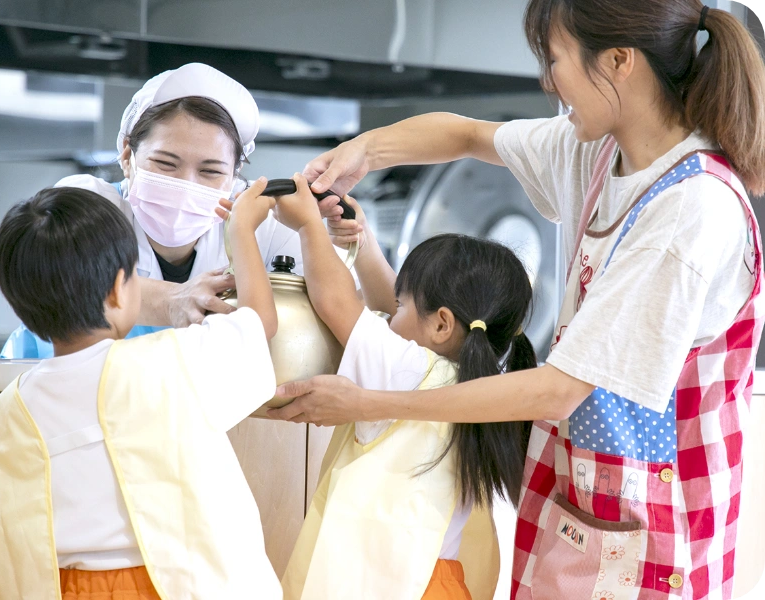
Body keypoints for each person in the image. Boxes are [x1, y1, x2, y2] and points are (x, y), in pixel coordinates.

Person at [270, 2, 765, 599]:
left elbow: (559, 389)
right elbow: (466, 134)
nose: (546, 80)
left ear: (618, 62)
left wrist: (368, 401)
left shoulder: (691, 208)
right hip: (581, 499)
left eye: (554, 60)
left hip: (656, 520)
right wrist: (364, 152)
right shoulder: (600, 152)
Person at [0, 179, 283, 599]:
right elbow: (258, 323)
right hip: (177, 585)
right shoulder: (170, 361)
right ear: (120, 291)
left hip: (68, 588)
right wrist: (242, 231)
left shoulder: (11, 408)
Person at [273, 176, 535, 599]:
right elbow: (386, 307)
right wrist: (361, 243)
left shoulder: (409, 370)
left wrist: (307, 225)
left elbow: (338, 302)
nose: (389, 316)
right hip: (443, 584)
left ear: (442, 323)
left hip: (380, 584)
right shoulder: (488, 385)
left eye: (401, 306)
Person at [1, 62, 301, 358]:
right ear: (127, 153)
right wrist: (173, 300)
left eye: (210, 171)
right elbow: (63, 282)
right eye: (166, 164)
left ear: (234, 178)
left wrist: (319, 230)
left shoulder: (264, 226)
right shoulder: (89, 206)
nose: (185, 185)